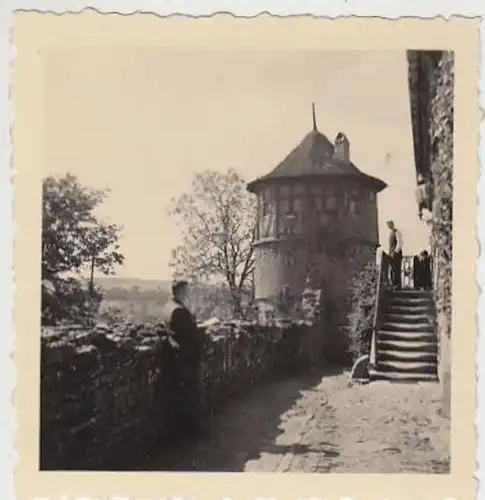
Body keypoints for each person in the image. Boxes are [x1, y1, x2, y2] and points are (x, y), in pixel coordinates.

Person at [161, 279, 208, 439]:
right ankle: (192, 432)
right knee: (191, 395)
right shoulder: (180, 311)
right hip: (187, 357)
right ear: (179, 291)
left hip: (176, 355)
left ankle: (185, 431)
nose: (187, 293)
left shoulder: (168, 307)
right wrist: (201, 329)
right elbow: (189, 335)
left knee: (183, 395)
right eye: (185, 290)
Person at [386, 220, 403, 289]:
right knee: (392, 269)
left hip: (396, 254)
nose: (389, 226)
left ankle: (397, 285)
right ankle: (393, 284)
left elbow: (400, 243)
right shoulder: (391, 233)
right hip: (391, 254)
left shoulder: (397, 232)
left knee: (396, 269)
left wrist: (395, 252)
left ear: (392, 224)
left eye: (390, 225)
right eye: (388, 225)